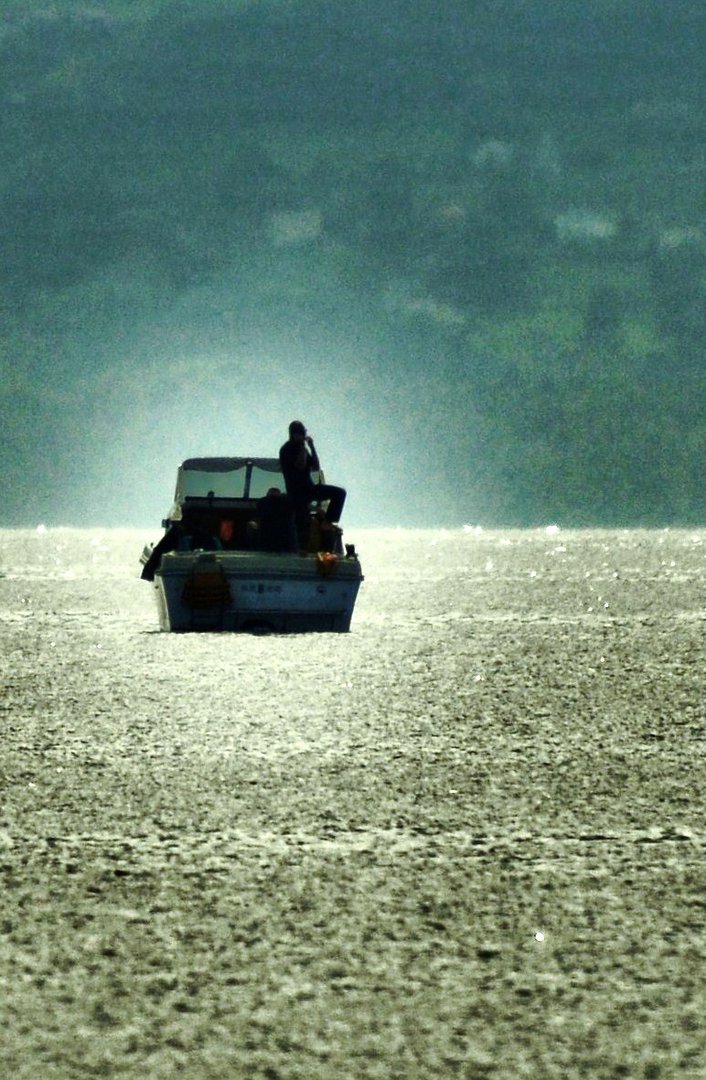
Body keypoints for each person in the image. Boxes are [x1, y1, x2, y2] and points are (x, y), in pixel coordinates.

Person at [279, 420, 346, 533]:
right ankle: (300, 546)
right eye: (301, 433)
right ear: (294, 434)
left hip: (309, 489)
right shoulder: (287, 449)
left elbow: (315, 466)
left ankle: (328, 521)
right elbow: (300, 466)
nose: (303, 436)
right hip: (296, 493)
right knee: (302, 523)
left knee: (340, 493)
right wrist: (302, 447)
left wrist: (312, 447)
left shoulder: (304, 449)